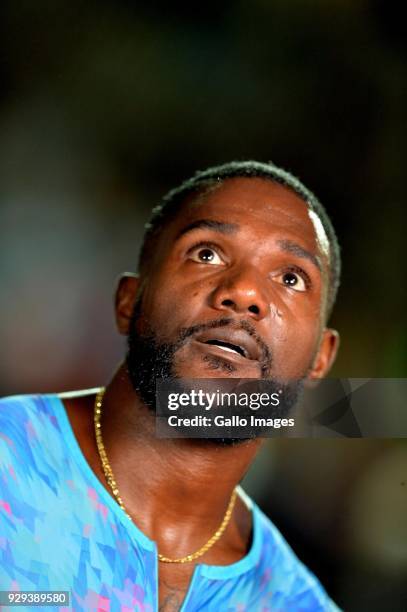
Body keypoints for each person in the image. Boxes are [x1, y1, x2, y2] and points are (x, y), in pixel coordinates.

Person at [0, 161, 342, 611]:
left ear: (320, 358)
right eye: (207, 253)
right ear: (129, 300)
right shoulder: (11, 463)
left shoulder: (291, 602)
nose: (243, 291)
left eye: (291, 278)